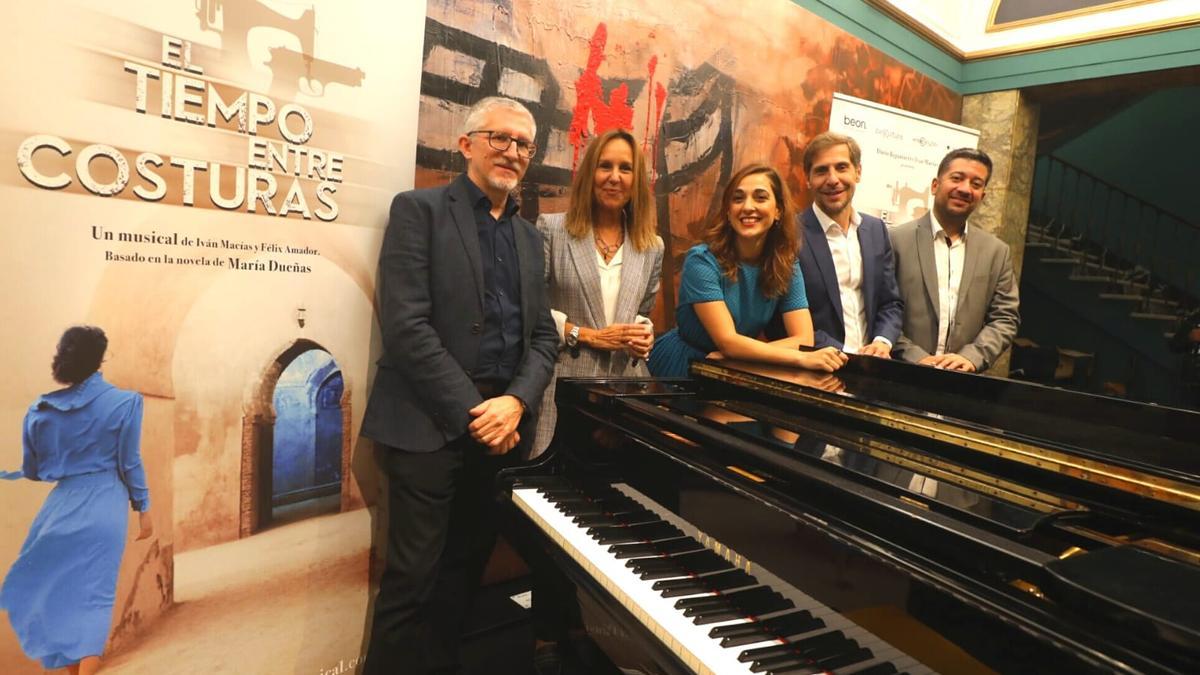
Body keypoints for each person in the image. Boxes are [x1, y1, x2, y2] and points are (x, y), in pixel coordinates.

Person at [359, 96, 558, 675]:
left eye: (523, 144)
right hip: (427, 427)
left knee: (461, 580)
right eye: (500, 138)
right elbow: (406, 327)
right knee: (412, 585)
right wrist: (480, 413)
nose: (512, 153)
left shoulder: (529, 238)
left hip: (499, 437)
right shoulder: (418, 211)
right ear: (466, 143)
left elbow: (543, 336)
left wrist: (516, 402)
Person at [1, 326, 153, 675]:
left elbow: (36, 470)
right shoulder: (126, 402)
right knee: (95, 597)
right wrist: (143, 509)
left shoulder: (40, 410)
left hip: (59, 508)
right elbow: (129, 462)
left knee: (62, 597)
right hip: (106, 503)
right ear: (101, 358)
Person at [532, 128, 663, 457]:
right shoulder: (552, 229)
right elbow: (531, 312)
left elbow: (641, 312)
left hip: (624, 395)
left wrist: (644, 335)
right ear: (590, 173)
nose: (614, 177)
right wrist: (585, 335)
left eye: (626, 168)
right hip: (564, 390)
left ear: (637, 181)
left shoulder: (651, 246)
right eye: (605, 166)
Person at [648, 163, 847, 377]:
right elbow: (728, 341)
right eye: (738, 198)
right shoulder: (702, 260)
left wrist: (737, 354)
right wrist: (801, 357)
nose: (748, 207)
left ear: (778, 210)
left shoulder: (786, 264)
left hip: (733, 366)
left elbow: (803, 338)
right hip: (684, 367)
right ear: (728, 210)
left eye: (760, 198)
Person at [890, 148, 1020, 372]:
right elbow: (879, 309)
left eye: (976, 184)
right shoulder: (894, 240)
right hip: (899, 373)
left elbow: (1005, 317)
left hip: (961, 382)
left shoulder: (996, 252)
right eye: (957, 178)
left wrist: (973, 356)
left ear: (983, 196)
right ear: (934, 185)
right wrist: (915, 357)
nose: (965, 189)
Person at [786, 132, 903, 355]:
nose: (832, 180)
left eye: (841, 167)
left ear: (857, 172)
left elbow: (890, 303)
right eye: (821, 170)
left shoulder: (876, 230)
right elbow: (781, 318)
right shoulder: (789, 235)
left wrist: (882, 342)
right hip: (814, 368)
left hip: (873, 367)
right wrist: (845, 352)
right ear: (808, 178)